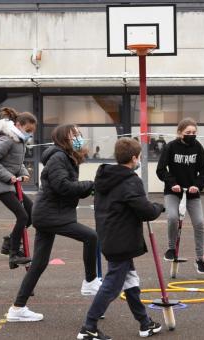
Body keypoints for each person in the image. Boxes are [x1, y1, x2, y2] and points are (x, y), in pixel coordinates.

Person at [6, 124, 101, 322]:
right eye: (74, 134)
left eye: (79, 134)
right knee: (91, 236)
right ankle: (90, 281)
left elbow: (67, 187)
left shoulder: (67, 157)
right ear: (63, 138)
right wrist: (91, 185)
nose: (79, 137)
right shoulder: (58, 157)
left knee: (39, 264)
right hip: (50, 215)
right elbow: (63, 186)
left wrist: (88, 189)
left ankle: (17, 308)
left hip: (52, 213)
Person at [78, 137, 164, 339]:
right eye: (140, 157)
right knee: (113, 284)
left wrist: (149, 206)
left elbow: (131, 204)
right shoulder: (130, 180)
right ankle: (89, 327)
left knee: (130, 279)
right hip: (122, 240)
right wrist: (158, 207)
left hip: (110, 236)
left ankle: (145, 323)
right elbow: (145, 211)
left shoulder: (105, 178)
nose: (140, 160)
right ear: (134, 158)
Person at [0, 107, 36, 269]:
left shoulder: (20, 141)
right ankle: (14, 254)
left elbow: (16, 163)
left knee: (32, 212)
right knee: (22, 216)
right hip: (0, 185)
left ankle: (10, 239)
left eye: (32, 132)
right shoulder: (7, 140)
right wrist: (8, 176)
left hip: (11, 184)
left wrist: (24, 172)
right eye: (28, 130)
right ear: (18, 125)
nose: (30, 134)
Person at [157, 118, 204, 274]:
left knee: (199, 223)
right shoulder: (171, 147)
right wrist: (172, 183)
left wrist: (197, 186)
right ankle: (171, 249)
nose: (191, 135)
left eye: (194, 133)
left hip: (192, 192)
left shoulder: (198, 147)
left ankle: (200, 259)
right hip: (173, 191)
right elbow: (161, 169)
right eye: (188, 133)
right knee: (172, 217)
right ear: (180, 133)